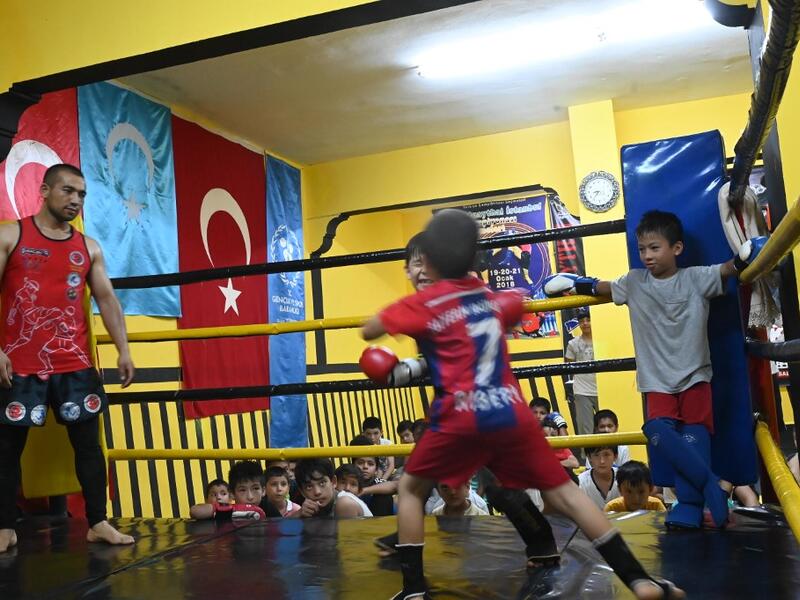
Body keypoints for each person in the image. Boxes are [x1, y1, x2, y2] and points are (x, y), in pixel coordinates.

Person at [362, 209, 683, 600]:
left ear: (429, 261)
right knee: (565, 494)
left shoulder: (423, 304)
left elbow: (370, 329)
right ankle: (638, 579)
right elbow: (513, 306)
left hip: (459, 415)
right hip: (510, 412)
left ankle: (413, 591)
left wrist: (396, 350)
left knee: (411, 489)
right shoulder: (491, 298)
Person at [545, 209, 765, 530]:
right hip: (656, 380)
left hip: (695, 375)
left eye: (655, 248)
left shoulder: (695, 277)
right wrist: (574, 283)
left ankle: (690, 504)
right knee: (656, 430)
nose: (647, 256)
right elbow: (601, 288)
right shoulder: (635, 282)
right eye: (642, 249)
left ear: (676, 248)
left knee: (694, 440)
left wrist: (749, 255)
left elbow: (729, 269)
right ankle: (708, 486)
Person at [0, 164, 137, 554]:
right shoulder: (11, 233)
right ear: (44, 190)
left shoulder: (89, 246)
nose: (75, 200)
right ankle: (4, 525)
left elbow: (107, 299)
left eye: (81, 194)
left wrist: (123, 349)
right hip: (20, 364)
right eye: (67, 191)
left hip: (74, 364)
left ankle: (97, 522)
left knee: (89, 445)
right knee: (7, 447)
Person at [189, 460, 275, 520]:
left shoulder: (267, 507)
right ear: (232, 494)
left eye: (255, 488)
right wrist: (236, 510)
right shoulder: (228, 510)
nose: (250, 497)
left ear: (263, 491)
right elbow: (195, 511)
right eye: (242, 490)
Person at [295, 458, 372, 518]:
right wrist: (299, 513)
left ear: (334, 482)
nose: (317, 492)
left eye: (322, 483)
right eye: (309, 487)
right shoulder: (308, 509)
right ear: (302, 492)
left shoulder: (345, 503)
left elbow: (347, 538)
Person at [565, 307, 597, 437]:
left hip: (605, 388)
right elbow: (568, 365)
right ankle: (588, 457)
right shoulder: (573, 343)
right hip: (582, 390)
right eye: (582, 320)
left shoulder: (604, 339)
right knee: (586, 430)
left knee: (608, 427)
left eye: (588, 320)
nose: (585, 323)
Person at [579, 446, 621, 510]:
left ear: (615, 456)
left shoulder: (625, 477)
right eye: (596, 455)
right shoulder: (580, 482)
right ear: (589, 457)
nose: (602, 461)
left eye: (606, 455)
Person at [362, 416, 395, 481]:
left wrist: (382, 481)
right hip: (370, 475)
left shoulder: (387, 444)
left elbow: (391, 466)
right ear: (363, 434)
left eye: (376, 433)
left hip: (387, 475)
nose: (372, 437)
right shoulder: (362, 445)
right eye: (368, 434)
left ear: (381, 432)